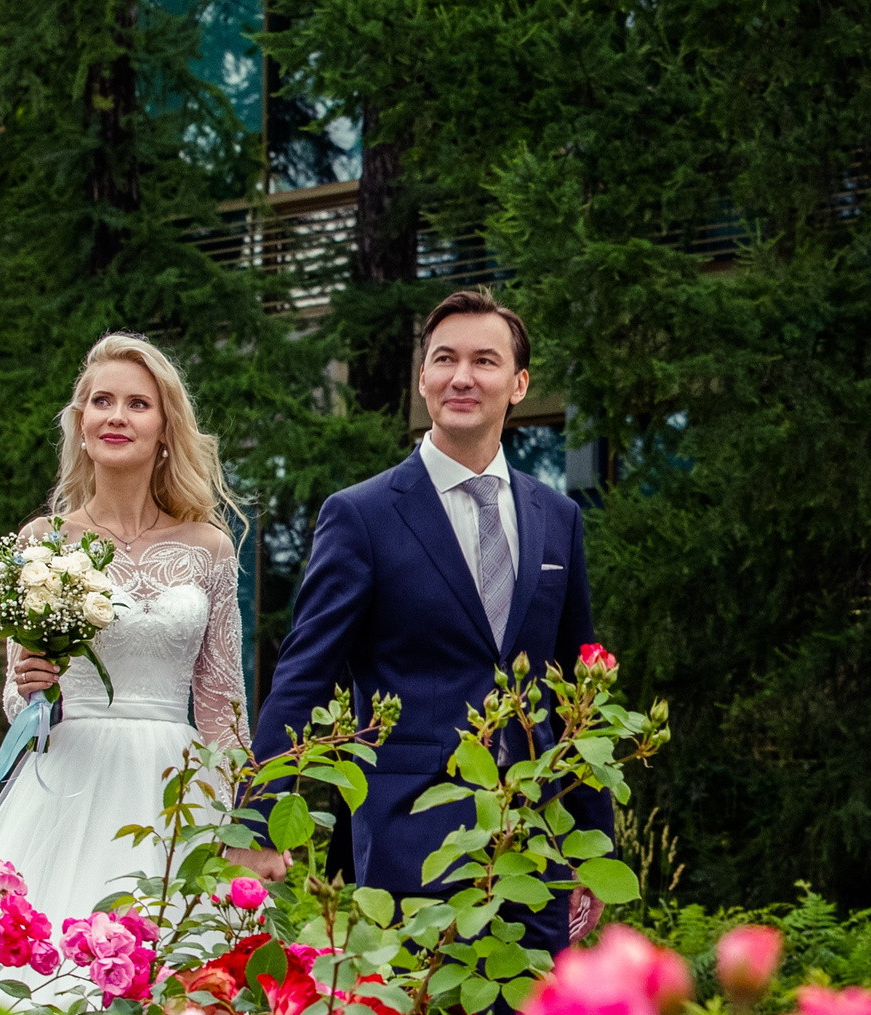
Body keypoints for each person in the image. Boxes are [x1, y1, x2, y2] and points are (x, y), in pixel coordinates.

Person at [231, 288, 608, 953]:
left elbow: (576, 687)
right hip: (405, 843)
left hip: (535, 851)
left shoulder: (558, 518)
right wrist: (258, 823)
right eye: (445, 359)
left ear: (519, 383)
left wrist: (589, 845)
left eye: (485, 361)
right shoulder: (362, 516)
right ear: (423, 378)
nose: (463, 376)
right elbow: (303, 674)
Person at [0, 332, 247, 976]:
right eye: (101, 402)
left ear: (165, 427)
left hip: (179, 788)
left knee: (183, 968)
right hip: (69, 775)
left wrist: (239, 818)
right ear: (82, 423)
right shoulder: (43, 542)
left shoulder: (209, 547)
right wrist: (34, 689)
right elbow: (18, 698)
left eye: (137, 404)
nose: (116, 416)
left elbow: (222, 701)